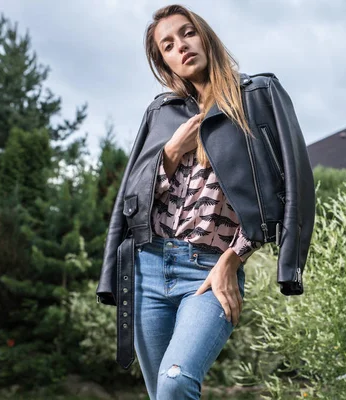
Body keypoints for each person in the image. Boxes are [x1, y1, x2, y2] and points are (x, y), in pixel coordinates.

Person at [96, 4, 316, 399]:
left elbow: (291, 185)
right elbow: (131, 200)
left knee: (176, 379)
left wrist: (235, 258)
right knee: (163, 393)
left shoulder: (258, 96)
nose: (181, 46)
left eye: (187, 33)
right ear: (164, 62)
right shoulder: (160, 114)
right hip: (147, 270)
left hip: (206, 271)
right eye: (167, 45)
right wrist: (170, 153)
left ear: (205, 35)